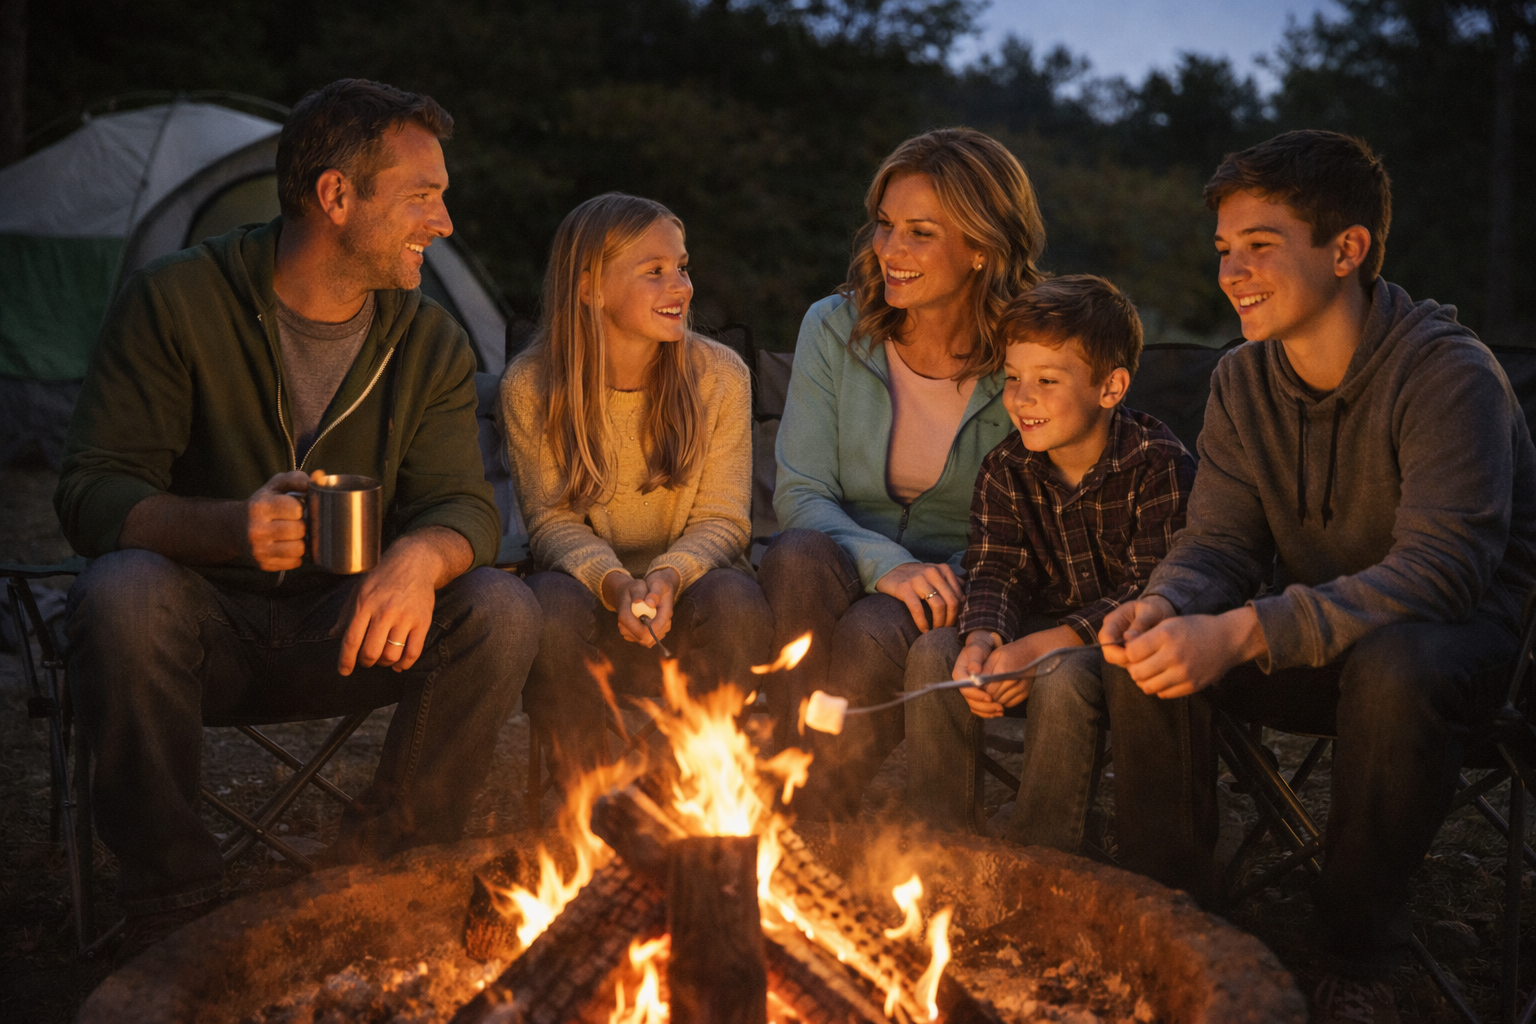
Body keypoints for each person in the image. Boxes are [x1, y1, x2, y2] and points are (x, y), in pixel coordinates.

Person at [54, 79, 540, 941]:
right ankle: (173, 897)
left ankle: (389, 867)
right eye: (423, 197)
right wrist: (227, 527)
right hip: (204, 630)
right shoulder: (175, 302)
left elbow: (461, 503)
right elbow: (94, 490)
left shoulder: (426, 339)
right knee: (122, 591)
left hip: (347, 627)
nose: (445, 222)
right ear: (336, 196)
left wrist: (419, 559)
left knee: (499, 608)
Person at [1097, 130, 1536, 1022]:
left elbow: (1443, 574)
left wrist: (1244, 631)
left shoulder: (1450, 374)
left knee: (1395, 665)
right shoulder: (1240, 380)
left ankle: (1357, 948)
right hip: (1314, 633)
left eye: (1260, 246)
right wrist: (1167, 603)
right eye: (1224, 249)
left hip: (1463, 652)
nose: (1232, 272)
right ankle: (1167, 912)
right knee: (1155, 652)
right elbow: (1217, 544)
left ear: (1347, 250)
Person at [759, 127, 1045, 817]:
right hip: (841, 564)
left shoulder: (1031, 348)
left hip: (973, 577)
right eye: (885, 226)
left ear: (980, 247)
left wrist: (936, 584)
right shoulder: (834, 327)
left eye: (920, 232)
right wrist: (886, 564)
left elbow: (1045, 512)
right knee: (795, 554)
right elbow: (799, 493)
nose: (889, 250)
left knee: (873, 629)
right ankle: (794, 768)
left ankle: (803, 809)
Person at [903, 276, 1194, 844]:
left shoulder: (1158, 464)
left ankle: (1043, 854)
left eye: (1046, 381)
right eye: (1013, 379)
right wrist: (984, 640)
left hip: (1118, 651)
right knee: (936, 652)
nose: (1021, 398)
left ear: (1110, 388)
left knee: (1062, 676)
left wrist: (1038, 649)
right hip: (1030, 630)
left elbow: (1152, 589)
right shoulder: (1006, 467)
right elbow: (997, 569)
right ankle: (941, 846)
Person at [504, 192, 770, 782]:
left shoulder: (720, 375)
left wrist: (669, 576)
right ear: (589, 287)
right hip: (586, 606)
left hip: (694, 597)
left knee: (738, 601)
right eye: (654, 271)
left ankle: (705, 792)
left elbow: (724, 519)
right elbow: (551, 523)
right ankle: (589, 803)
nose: (681, 286)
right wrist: (617, 583)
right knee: (545, 603)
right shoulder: (532, 385)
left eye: (682, 267)